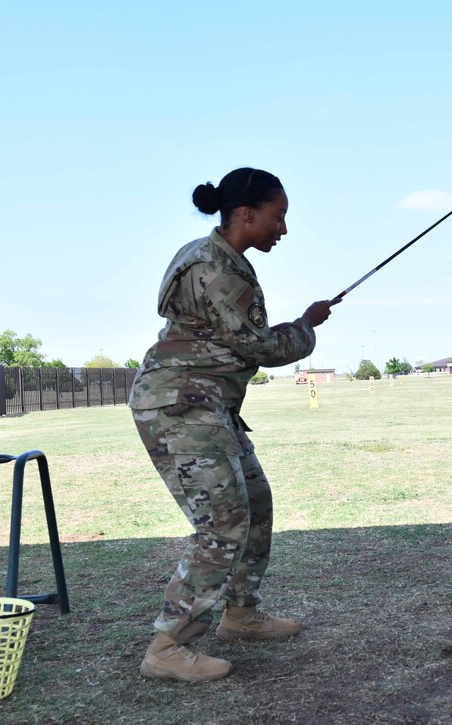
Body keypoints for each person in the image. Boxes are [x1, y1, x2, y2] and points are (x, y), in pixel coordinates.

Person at [129, 167, 339, 682]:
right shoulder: (219, 269)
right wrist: (307, 326)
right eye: (278, 216)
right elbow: (263, 347)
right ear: (247, 213)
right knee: (221, 523)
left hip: (205, 405)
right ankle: (168, 646)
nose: (282, 229)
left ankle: (240, 614)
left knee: (255, 502)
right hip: (183, 406)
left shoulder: (212, 258)